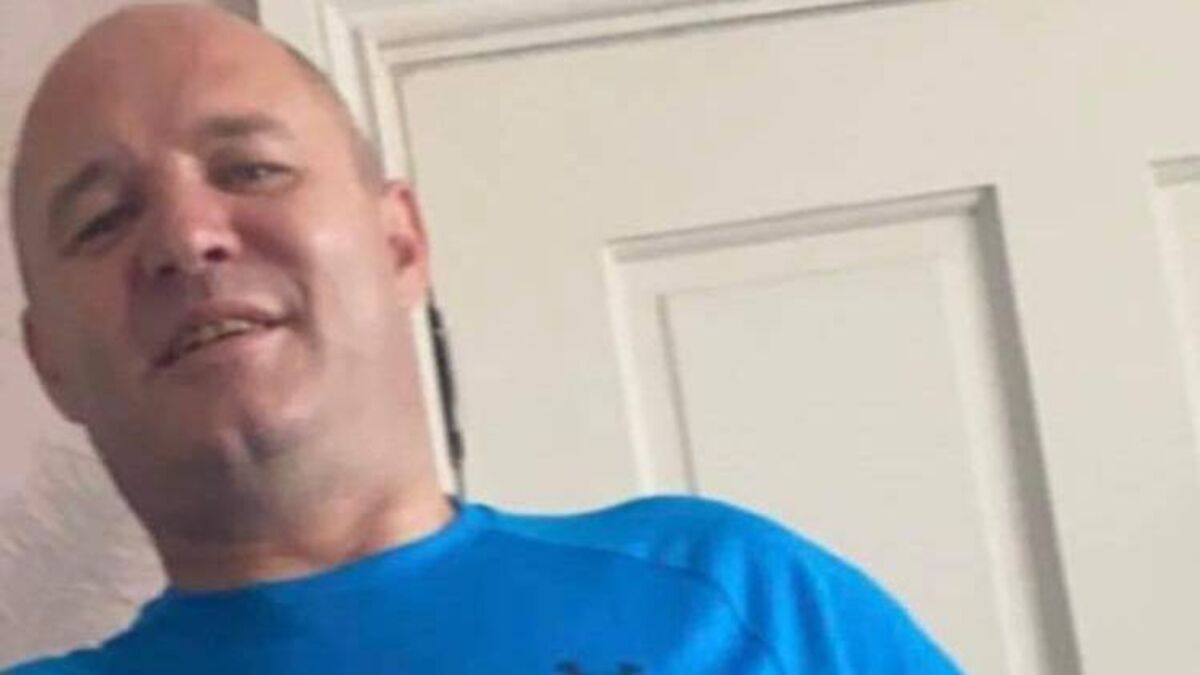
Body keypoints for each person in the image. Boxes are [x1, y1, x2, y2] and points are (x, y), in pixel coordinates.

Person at [2, 4, 960, 674]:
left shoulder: (737, 597)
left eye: (250, 168)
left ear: (399, 243)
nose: (184, 236)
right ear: (51, 364)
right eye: (101, 220)